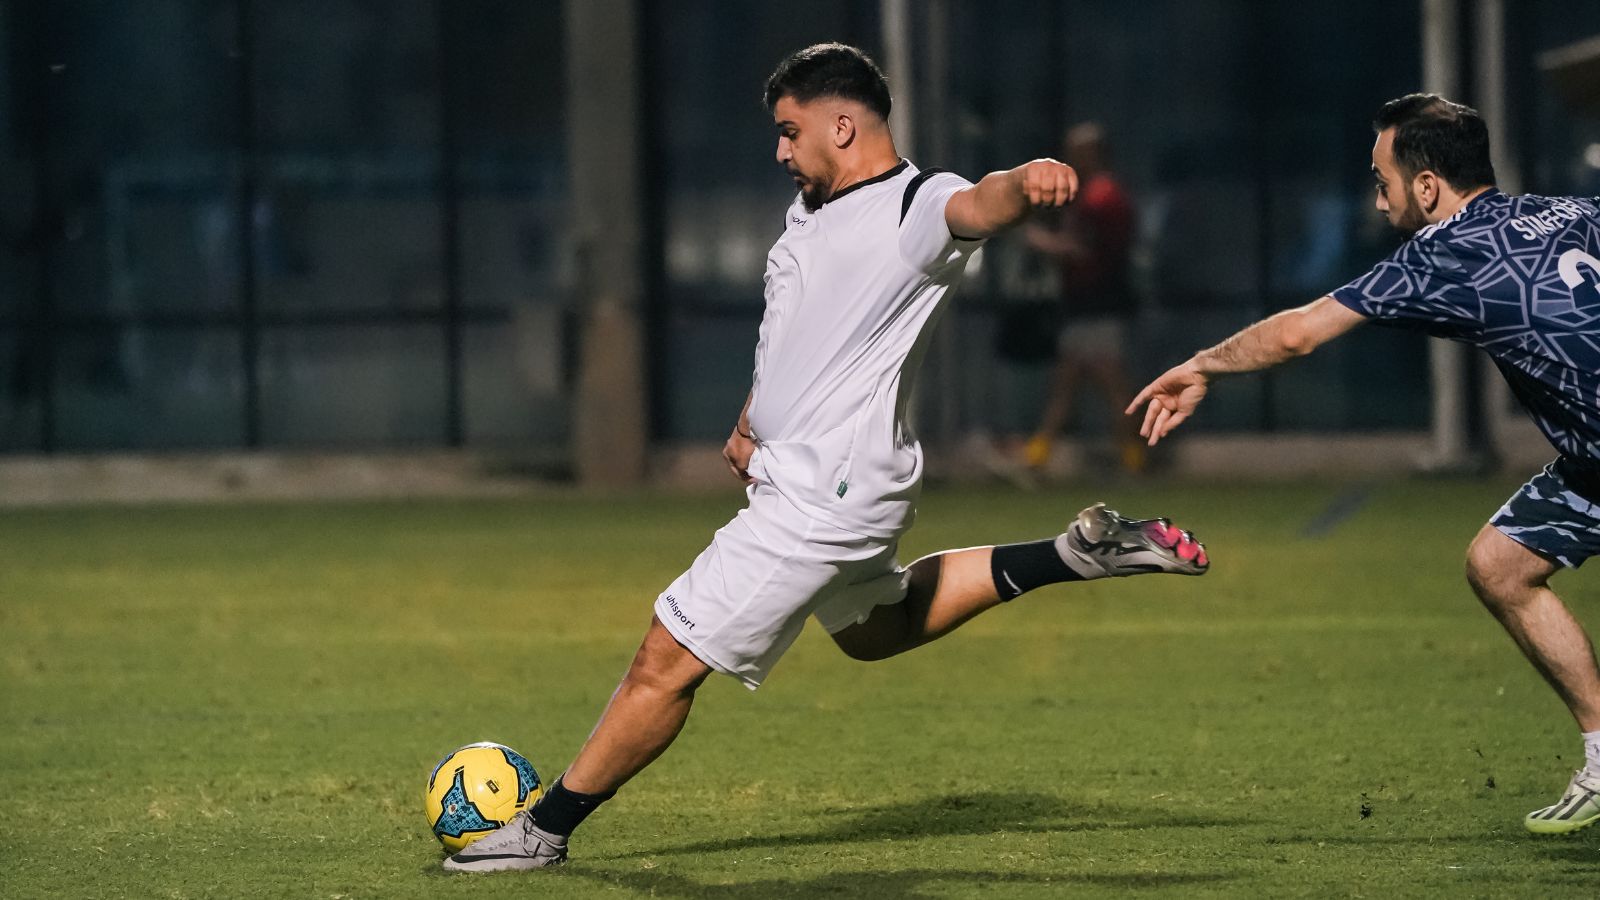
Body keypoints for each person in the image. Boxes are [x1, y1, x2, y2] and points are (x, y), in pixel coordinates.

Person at [444, 43, 1209, 873]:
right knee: (874, 630)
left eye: (788, 130)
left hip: (821, 496)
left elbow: (982, 205)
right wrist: (751, 417)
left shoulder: (914, 207)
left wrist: (1032, 180)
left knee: (663, 661)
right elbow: (806, 330)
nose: (779, 151)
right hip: (829, 482)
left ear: (842, 124)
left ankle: (540, 832)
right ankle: (1071, 554)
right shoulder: (813, 207)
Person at [1129, 93, 1600, 835]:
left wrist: (1203, 366)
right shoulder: (1574, 210)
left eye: (1381, 178)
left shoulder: (1445, 251)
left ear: (1425, 186)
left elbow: (1296, 336)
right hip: (1590, 462)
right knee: (1501, 564)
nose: (1375, 196)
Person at [1022, 122, 1145, 475]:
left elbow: (1084, 251)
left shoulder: (1102, 197)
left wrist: (1041, 242)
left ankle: (1134, 459)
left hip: (1098, 305)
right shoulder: (1094, 193)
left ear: (1093, 153)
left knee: (1110, 383)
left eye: (1077, 151)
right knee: (1068, 382)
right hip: (1085, 306)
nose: (1070, 158)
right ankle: (1037, 457)